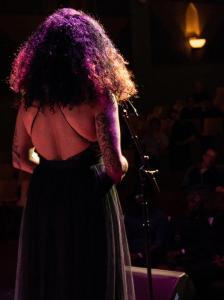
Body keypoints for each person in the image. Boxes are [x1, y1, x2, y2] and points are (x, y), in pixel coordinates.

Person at [10, 8, 136, 300]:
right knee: (89, 282)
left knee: (49, 282)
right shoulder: (99, 97)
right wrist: (126, 163)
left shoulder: (29, 102)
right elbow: (115, 168)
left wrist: (50, 174)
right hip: (86, 196)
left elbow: (18, 158)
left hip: (45, 198)